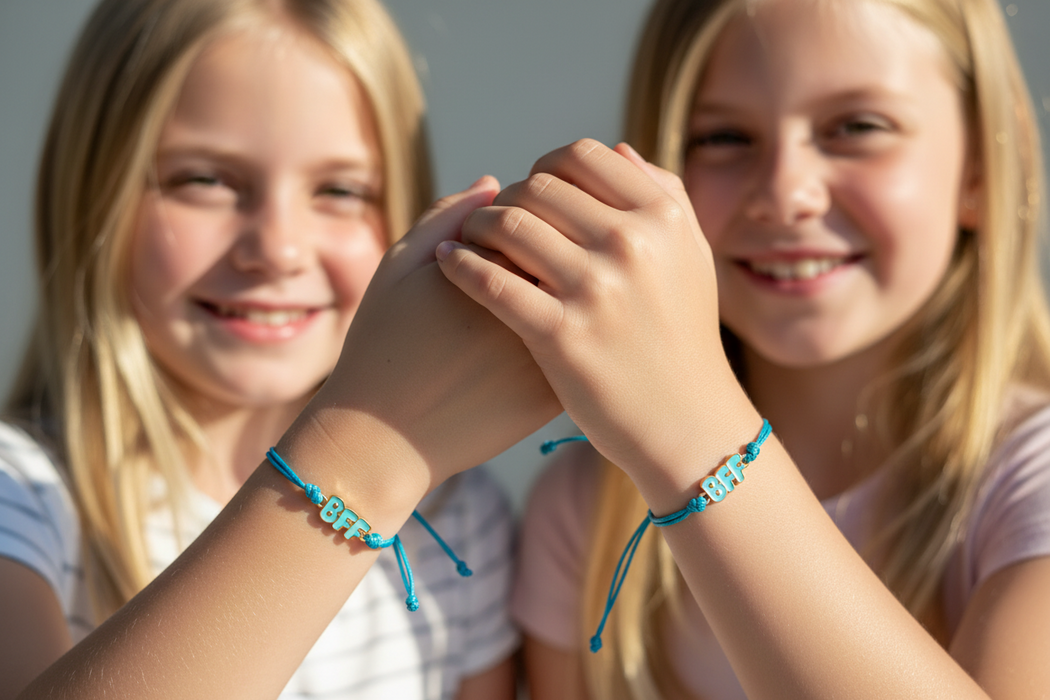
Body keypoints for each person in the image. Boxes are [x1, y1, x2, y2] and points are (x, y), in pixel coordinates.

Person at [434, 0, 1050, 697]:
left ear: (979, 168)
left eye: (857, 127)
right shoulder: (588, 514)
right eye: (724, 137)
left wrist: (695, 434)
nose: (785, 194)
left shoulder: (1028, 484)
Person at [0, 0, 559, 698]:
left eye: (340, 190)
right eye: (205, 180)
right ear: (90, 196)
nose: (277, 249)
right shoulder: (21, 498)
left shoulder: (457, 521)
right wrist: (356, 462)